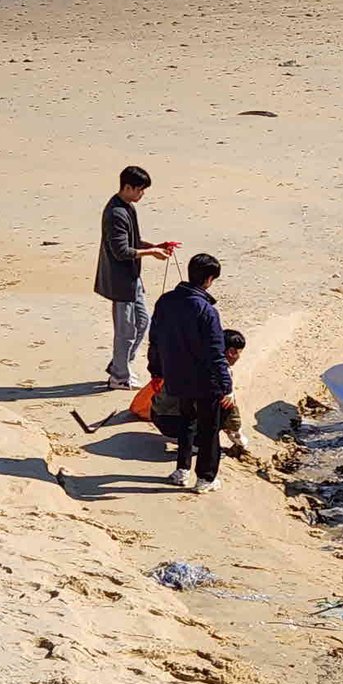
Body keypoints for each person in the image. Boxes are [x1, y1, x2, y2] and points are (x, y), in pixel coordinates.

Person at [148, 254, 232, 493]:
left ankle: (182, 470)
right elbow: (216, 352)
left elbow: (155, 340)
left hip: (176, 374)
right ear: (209, 279)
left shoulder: (165, 301)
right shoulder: (207, 310)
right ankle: (205, 477)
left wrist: (156, 370)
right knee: (209, 429)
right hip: (205, 380)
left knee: (186, 421)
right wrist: (226, 386)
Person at [94, 165, 176, 390]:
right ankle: (119, 376)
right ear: (127, 187)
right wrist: (152, 252)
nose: (142, 194)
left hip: (132, 278)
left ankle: (120, 364)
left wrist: (156, 246)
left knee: (142, 322)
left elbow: (133, 241)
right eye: (140, 189)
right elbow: (121, 251)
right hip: (121, 282)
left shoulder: (128, 207)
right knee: (126, 330)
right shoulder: (115, 213)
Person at [151, 329, 248, 453]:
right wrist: (236, 432)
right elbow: (228, 406)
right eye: (239, 353)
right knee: (224, 404)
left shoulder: (194, 356)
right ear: (231, 352)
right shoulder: (219, 372)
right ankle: (198, 442)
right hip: (175, 421)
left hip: (157, 414)